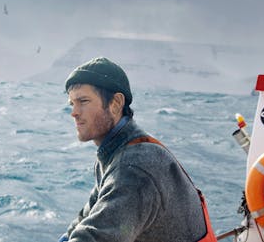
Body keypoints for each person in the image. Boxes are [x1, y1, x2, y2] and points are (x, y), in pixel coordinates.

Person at [59, 57, 217, 242]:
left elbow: (95, 237)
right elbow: (86, 219)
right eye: (72, 103)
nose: (74, 112)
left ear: (116, 103)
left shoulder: (135, 167)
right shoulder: (116, 153)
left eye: (83, 101)